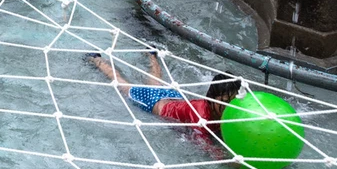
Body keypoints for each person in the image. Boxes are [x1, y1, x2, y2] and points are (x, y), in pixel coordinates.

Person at [86, 52, 242, 137]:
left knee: (156, 80)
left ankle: (152, 55)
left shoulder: (223, 110)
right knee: (121, 83)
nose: (227, 106)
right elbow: (204, 146)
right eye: (223, 101)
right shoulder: (201, 116)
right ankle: (96, 59)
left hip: (175, 98)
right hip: (154, 103)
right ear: (211, 98)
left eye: (232, 101)